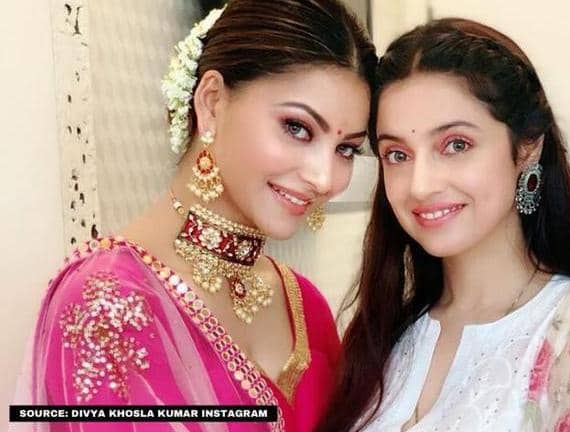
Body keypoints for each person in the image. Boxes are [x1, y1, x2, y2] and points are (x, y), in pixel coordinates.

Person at [12, 1, 375, 431]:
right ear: (212, 102)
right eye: (297, 128)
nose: (324, 177)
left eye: (345, 149)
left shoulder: (305, 304)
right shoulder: (106, 303)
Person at [320, 18, 570, 432]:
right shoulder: (382, 335)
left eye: (456, 145)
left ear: (528, 148)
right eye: (397, 155)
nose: (420, 185)